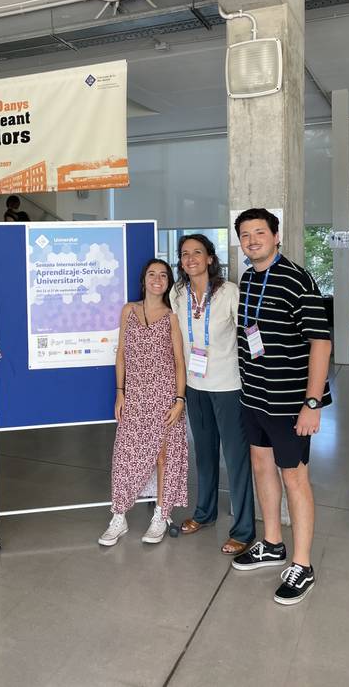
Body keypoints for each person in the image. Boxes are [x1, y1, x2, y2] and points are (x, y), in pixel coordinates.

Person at [231, 208, 332, 605]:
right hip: (254, 397)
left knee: (295, 478)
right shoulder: (249, 277)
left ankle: (303, 565)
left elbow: (320, 343)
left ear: (276, 236)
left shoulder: (297, 279)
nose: (252, 239)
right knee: (261, 467)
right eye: (245, 234)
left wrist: (312, 403)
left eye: (260, 232)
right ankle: (272, 543)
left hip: (290, 403)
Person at [170, 234, 255, 554]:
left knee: (235, 459)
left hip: (228, 386)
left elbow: (249, 330)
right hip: (195, 386)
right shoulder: (178, 293)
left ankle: (244, 529)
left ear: (209, 258)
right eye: (184, 254)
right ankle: (203, 513)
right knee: (204, 456)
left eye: (197, 253)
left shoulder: (229, 291)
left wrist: (261, 363)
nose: (190, 258)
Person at [98, 259, 188, 547]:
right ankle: (119, 515)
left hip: (164, 396)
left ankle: (161, 515)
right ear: (144, 279)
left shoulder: (171, 317)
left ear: (168, 281)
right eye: (152, 274)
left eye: (163, 275)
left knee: (163, 457)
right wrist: (120, 392)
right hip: (134, 396)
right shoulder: (129, 310)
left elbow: (178, 362)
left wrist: (179, 399)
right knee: (125, 455)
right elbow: (121, 353)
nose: (157, 279)